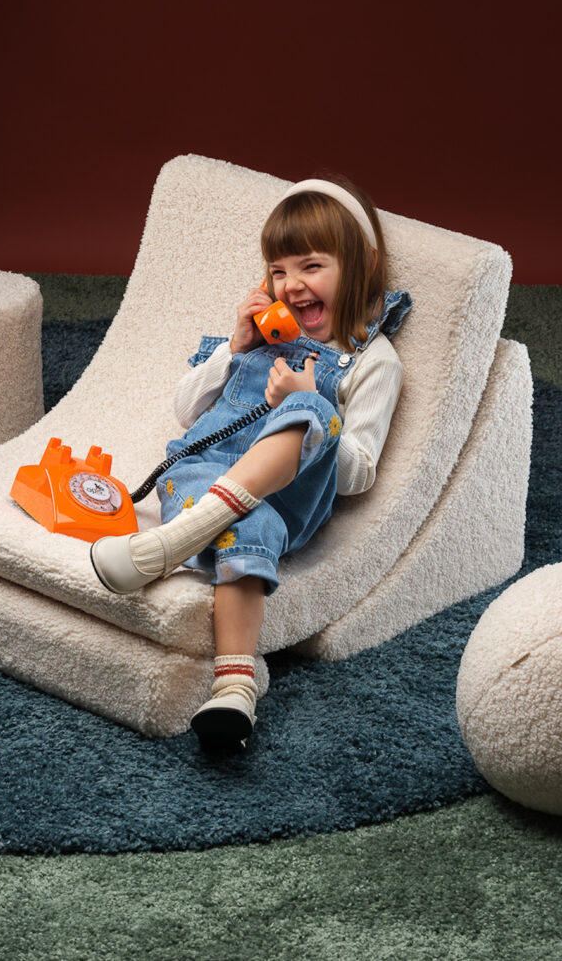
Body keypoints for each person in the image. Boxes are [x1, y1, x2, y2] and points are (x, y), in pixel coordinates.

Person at [91, 176, 411, 748]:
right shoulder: (255, 339)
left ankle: (172, 543)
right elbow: (187, 411)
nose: (291, 287)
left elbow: (359, 471)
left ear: (362, 261)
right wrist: (235, 347)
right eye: (278, 271)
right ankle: (236, 689)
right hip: (201, 474)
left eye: (311, 267)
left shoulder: (372, 361)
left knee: (311, 406)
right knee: (250, 526)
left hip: (291, 498)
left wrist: (307, 406)